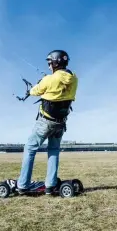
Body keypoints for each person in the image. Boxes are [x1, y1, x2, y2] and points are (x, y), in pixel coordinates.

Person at [17, 50, 78, 195]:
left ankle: (23, 184)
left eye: (50, 63)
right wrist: (50, 80)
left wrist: (38, 84)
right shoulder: (74, 78)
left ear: (56, 63)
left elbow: (35, 91)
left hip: (45, 122)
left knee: (30, 148)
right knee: (54, 151)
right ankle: (50, 185)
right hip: (61, 123)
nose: (49, 66)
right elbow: (60, 84)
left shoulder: (49, 80)